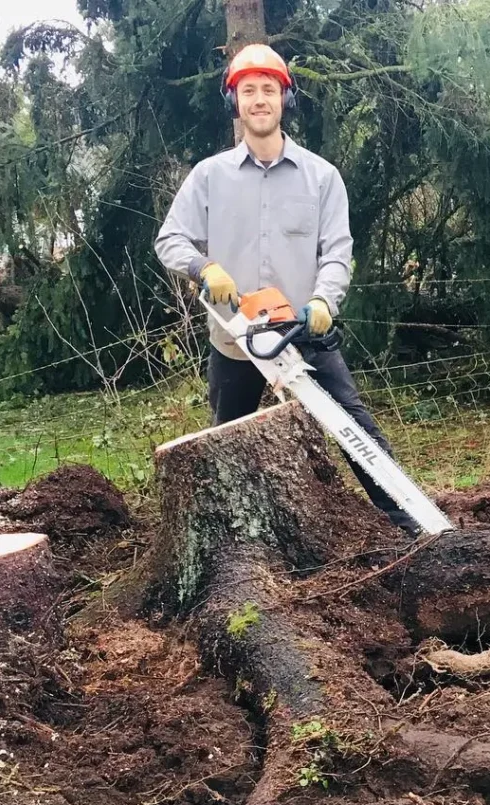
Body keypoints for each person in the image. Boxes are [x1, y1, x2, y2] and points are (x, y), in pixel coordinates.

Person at [154, 43, 418, 536]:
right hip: (236, 340)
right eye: (248, 91)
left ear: (285, 100)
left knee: (356, 433)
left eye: (268, 90)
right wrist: (203, 267)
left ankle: (405, 523)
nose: (259, 100)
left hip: (303, 331)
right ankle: (225, 546)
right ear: (235, 102)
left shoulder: (322, 177)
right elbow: (169, 238)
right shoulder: (209, 176)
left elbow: (337, 252)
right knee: (224, 445)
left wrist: (323, 300)